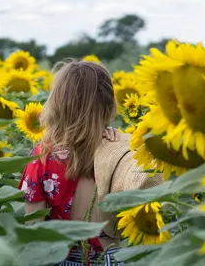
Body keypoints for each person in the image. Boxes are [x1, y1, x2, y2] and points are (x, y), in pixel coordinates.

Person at [18, 60, 161, 266]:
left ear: (58, 101)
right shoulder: (119, 148)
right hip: (109, 258)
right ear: (107, 102)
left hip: (63, 259)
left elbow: (34, 231)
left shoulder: (40, 157)